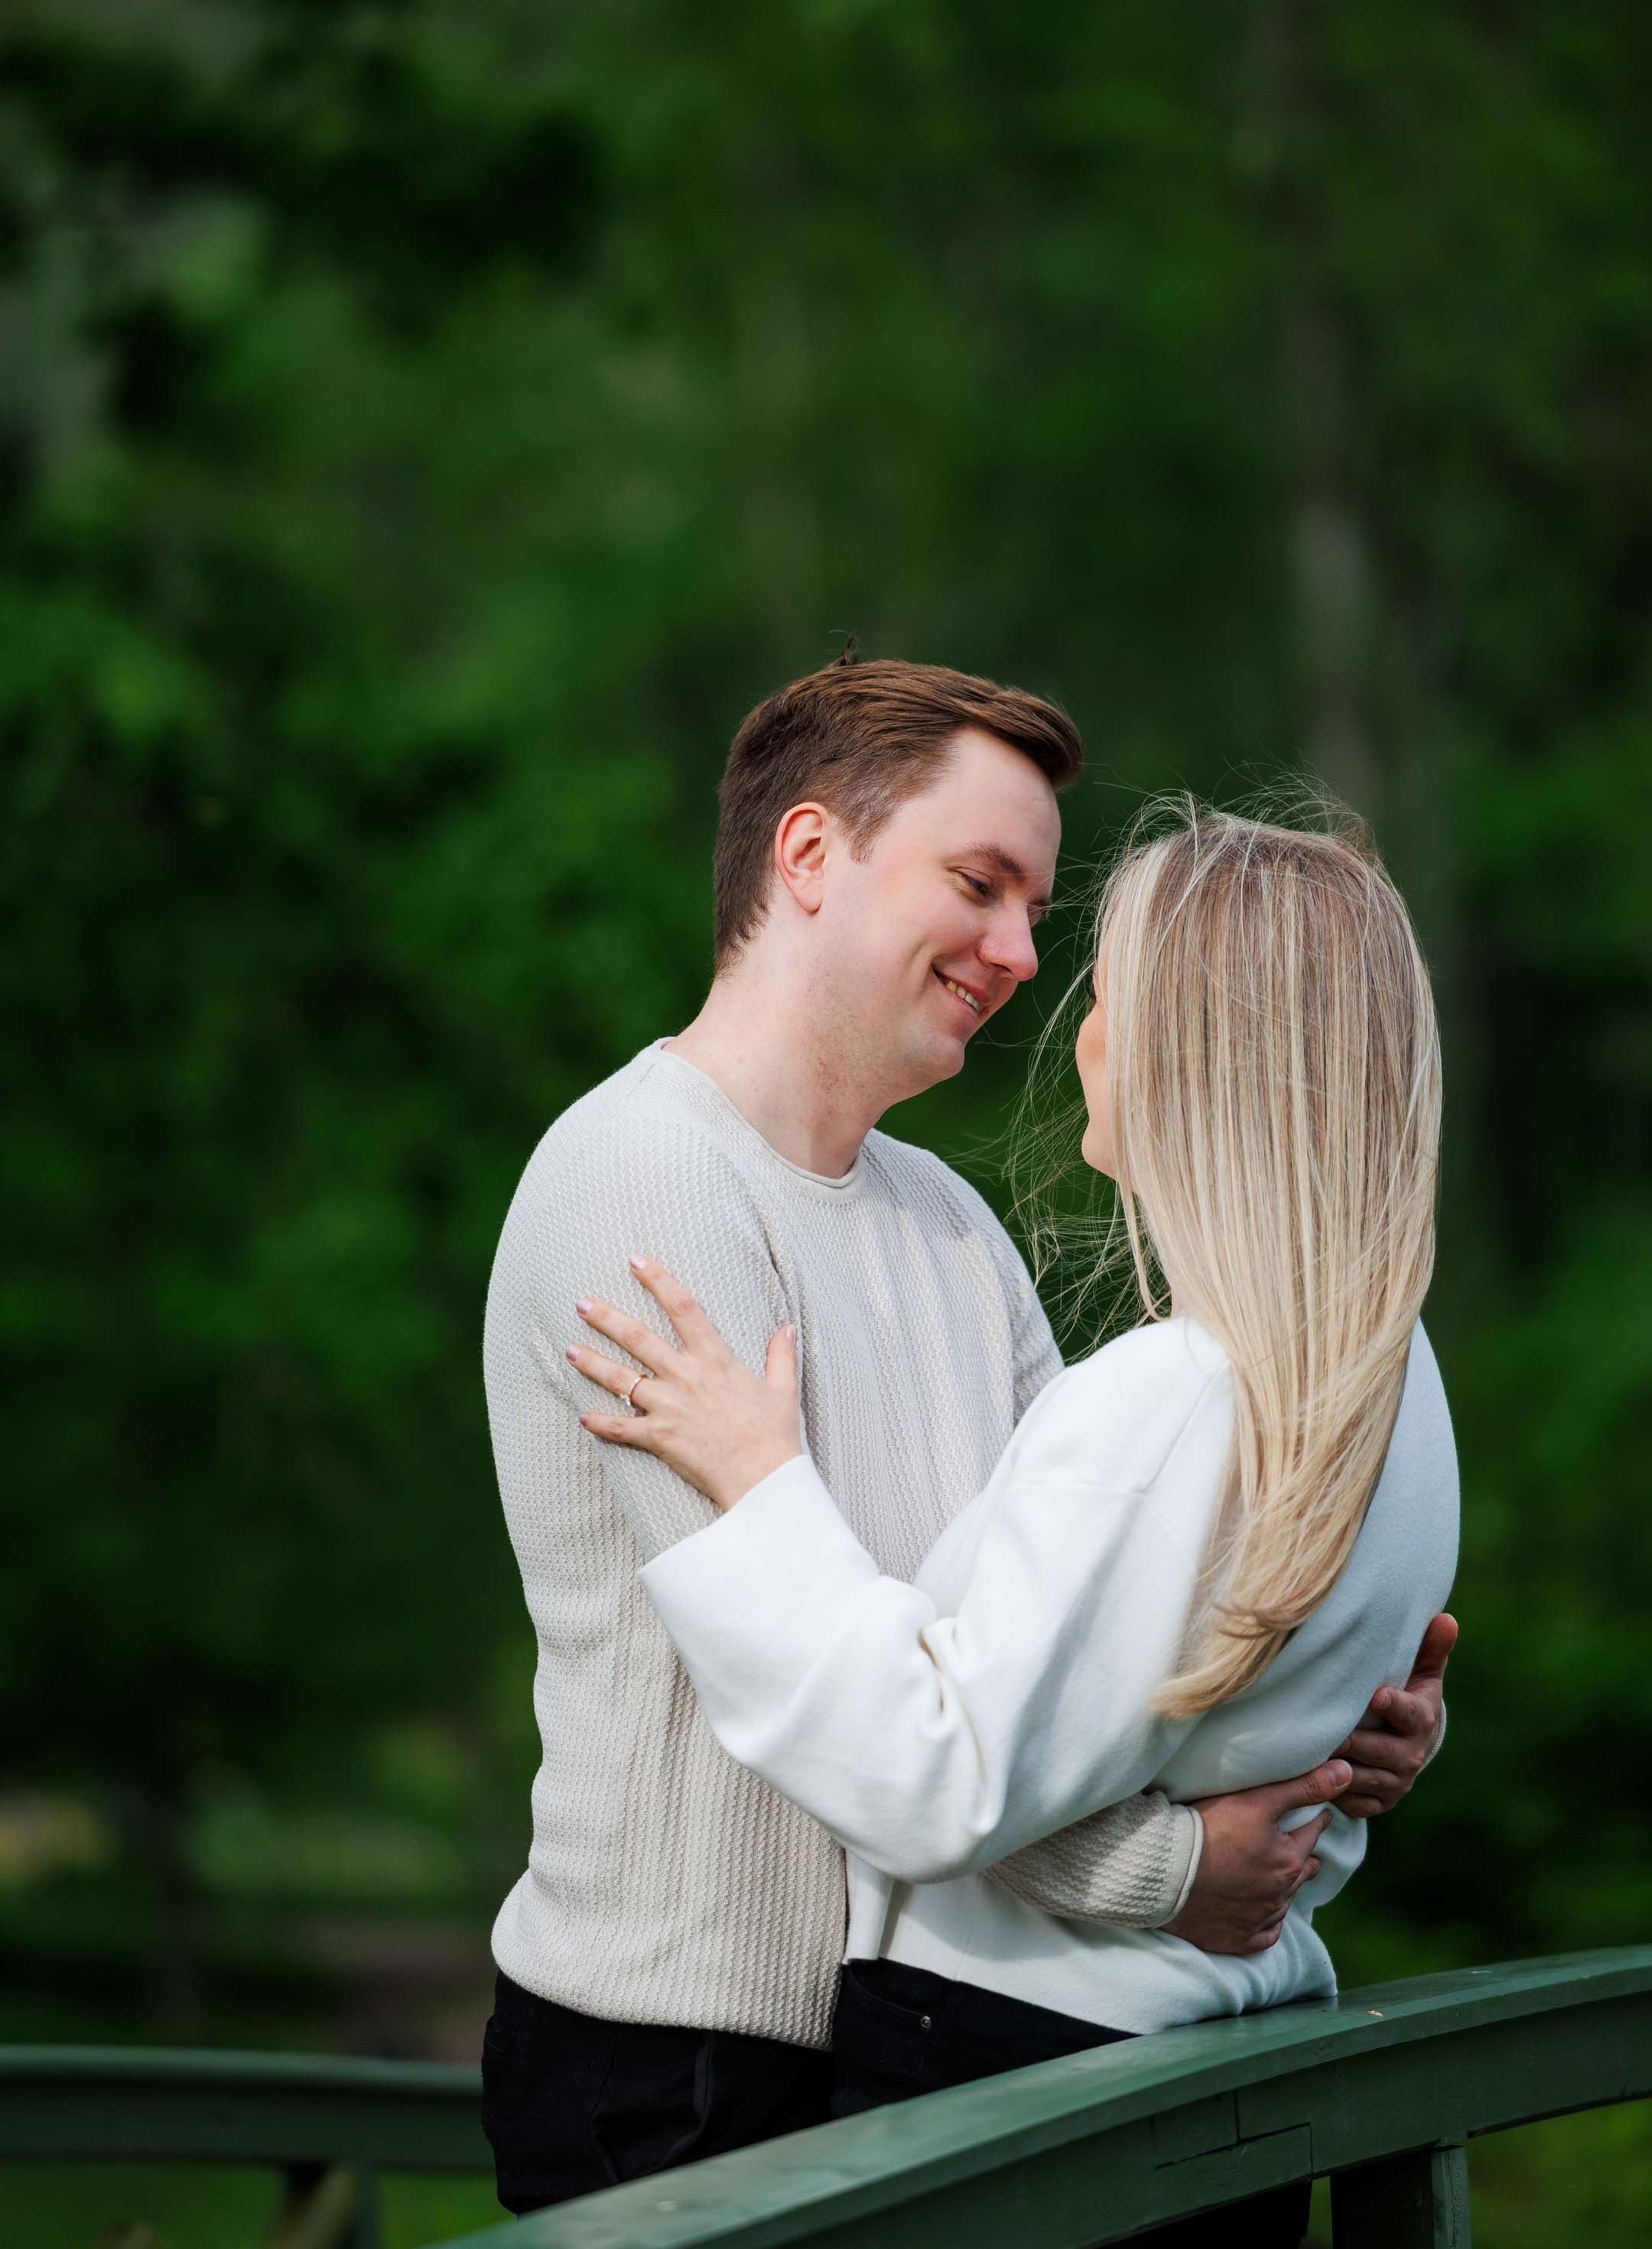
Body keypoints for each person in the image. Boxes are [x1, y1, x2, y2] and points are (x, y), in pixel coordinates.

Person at [483, 662, 1451, 2215]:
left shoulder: (947, 1223)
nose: (1019, 953)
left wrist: (1304, 1726)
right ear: (807, 859)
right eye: (979, 884)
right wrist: (1180, 1866)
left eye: (1036, 907)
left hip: (919, 2043)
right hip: (684, 2061)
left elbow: (1066, 1661)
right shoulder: (640, 1186)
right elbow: (847, 1726)